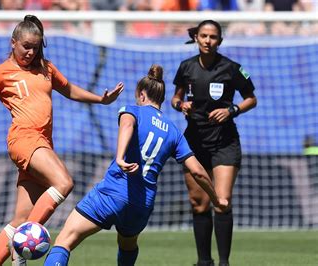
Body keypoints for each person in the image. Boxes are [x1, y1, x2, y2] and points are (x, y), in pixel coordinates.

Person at [0, 14, 124, 266]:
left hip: (42, 143)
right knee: (63, 182)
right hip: (24, 139)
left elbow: (69, 89)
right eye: (25, 46)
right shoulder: (0, 73)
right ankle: (22, 241)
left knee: (20, 219)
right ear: (13, 42)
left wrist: (101, 100)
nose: (30, 52)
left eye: (35, 47)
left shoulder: (46, 68)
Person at [44, 64, 229, 266]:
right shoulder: (174, 132)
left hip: (112, 193)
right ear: (162, 98)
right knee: (127, 244)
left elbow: (127, 125)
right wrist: (216, 199)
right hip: (141, 204)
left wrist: (120, 157)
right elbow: (198, 171)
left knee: (64, 240)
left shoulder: (132, 111)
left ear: (141, 95)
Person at [171, 20, 257, 266]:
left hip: (224, 143)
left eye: (213, 37)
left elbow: (251, 99)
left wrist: (232, 110)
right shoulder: (186, 67)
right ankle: (203, 261)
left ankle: (224, 262)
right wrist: (180, 105)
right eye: (204, 36)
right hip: (194, 143)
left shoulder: (231, 69)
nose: (208, 41)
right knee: (199, 203)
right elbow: (175, 98)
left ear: (220, 40)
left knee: (222, 201)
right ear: (196, 38)